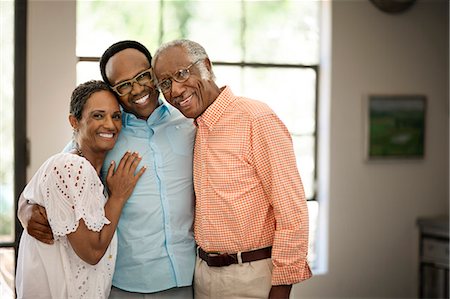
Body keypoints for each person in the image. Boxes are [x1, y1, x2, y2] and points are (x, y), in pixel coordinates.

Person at [18, 41, 197, 298]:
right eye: (124, 85)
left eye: (143, 76)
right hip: (122, 283)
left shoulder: (189, 124)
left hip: (184, 279)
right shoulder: (107, 133)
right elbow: (55, 174)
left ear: (154, 73)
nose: (137, 89)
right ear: (114, 91)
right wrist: (25, 208)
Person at [152, 39, 313, 299]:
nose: (176, 90)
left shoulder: (256, 119)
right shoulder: (193, 129)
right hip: (202, 275)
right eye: (165, 84)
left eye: (182, 74)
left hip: (251, 277)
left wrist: (281, 288)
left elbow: (292, 213)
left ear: (206, 66)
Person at [16, 80, 146, 299]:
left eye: (115, 116)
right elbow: (92, 252)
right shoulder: (70, 166)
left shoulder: (85, 171)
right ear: (74, 121)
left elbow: (27, 197)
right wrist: (118, 197)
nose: (110, 125)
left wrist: (24, 208)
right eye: (98, 115)